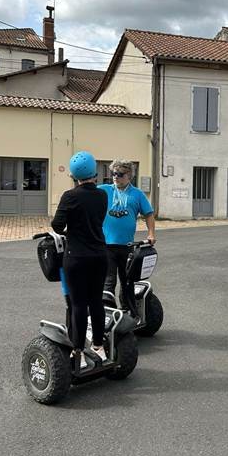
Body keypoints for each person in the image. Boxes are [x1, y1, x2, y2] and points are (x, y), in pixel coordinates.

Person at [51, 151, 108, 368]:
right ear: (94, 172)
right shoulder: (102, 195)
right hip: (100, 255)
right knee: (96, 302)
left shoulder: (70, 196)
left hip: (76, 257)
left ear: (74, 175)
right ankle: (99, 347)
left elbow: (57, 225)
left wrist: (70, 228)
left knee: (78, 305)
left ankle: (78, 352)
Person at [98, 159, 156, 304]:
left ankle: (127, 309)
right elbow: (86, 192)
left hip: (127, 246)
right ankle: (106, 313)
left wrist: (151, 234)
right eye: (113, 173)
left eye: (120, 174)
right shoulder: (105, 190)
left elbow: (149, 214)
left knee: (127, 281)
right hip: (106, 245)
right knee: (108, 280)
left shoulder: (137, 194)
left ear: (129, 176)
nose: (116, 176)